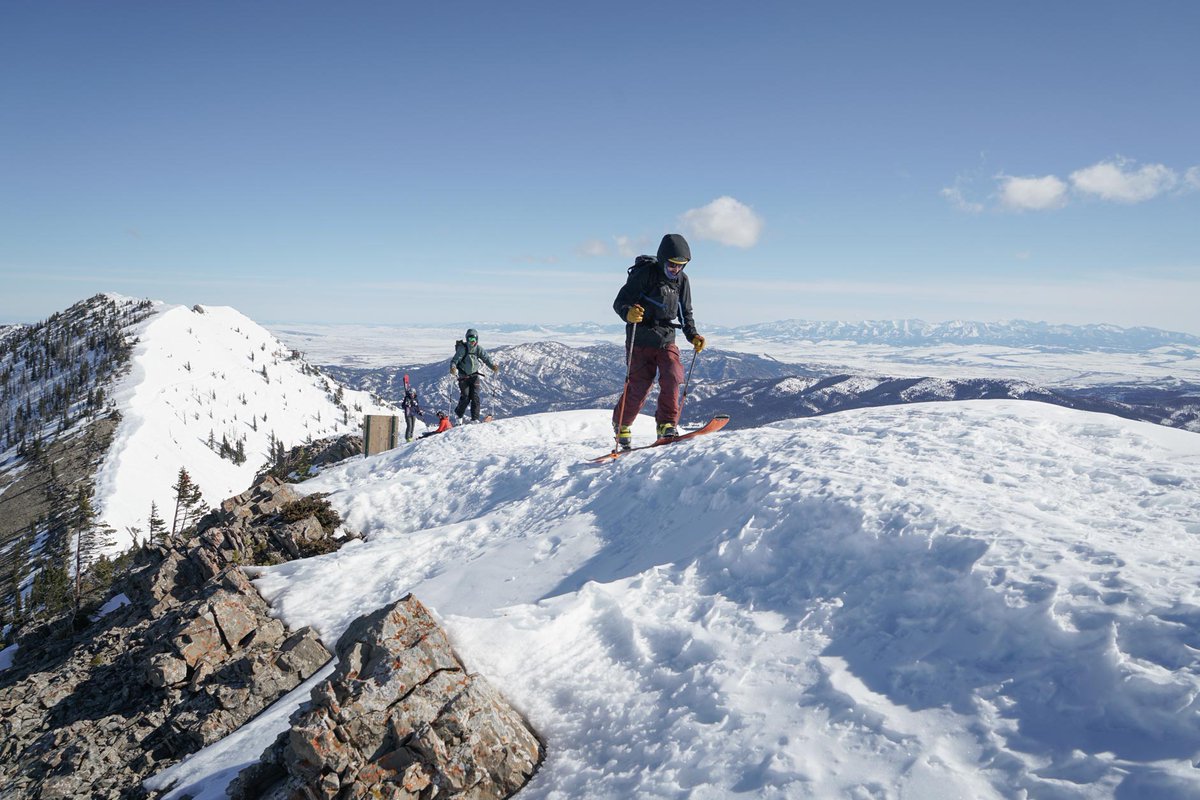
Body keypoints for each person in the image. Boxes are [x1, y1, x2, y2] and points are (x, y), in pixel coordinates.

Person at [611, 233, 706, 449]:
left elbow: (685, 313)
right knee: (640, 385)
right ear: (663, 259)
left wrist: (693, 336)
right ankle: (622, 424)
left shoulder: (682, 281)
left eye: (681, 265)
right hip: (640, 337)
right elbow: (621, 301)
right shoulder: (645, 275)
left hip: (665, 336)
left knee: (673, 375)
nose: (676, 269)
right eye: (672, 264)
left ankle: (666, 425)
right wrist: (628, 313)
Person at [449, 328, 499, 423]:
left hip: (474, 376)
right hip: (463, 376)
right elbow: (455, 360)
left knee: (475, 397)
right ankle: (459, 415)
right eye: (470, 339)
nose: (472, 342)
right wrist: (453, 368)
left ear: (477, 339)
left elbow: (486, 358)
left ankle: (474, 419)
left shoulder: (478, 349)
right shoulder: (462, 349)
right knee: (466, 397)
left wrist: (493, 366)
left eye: (474, 339)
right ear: (467, 339)